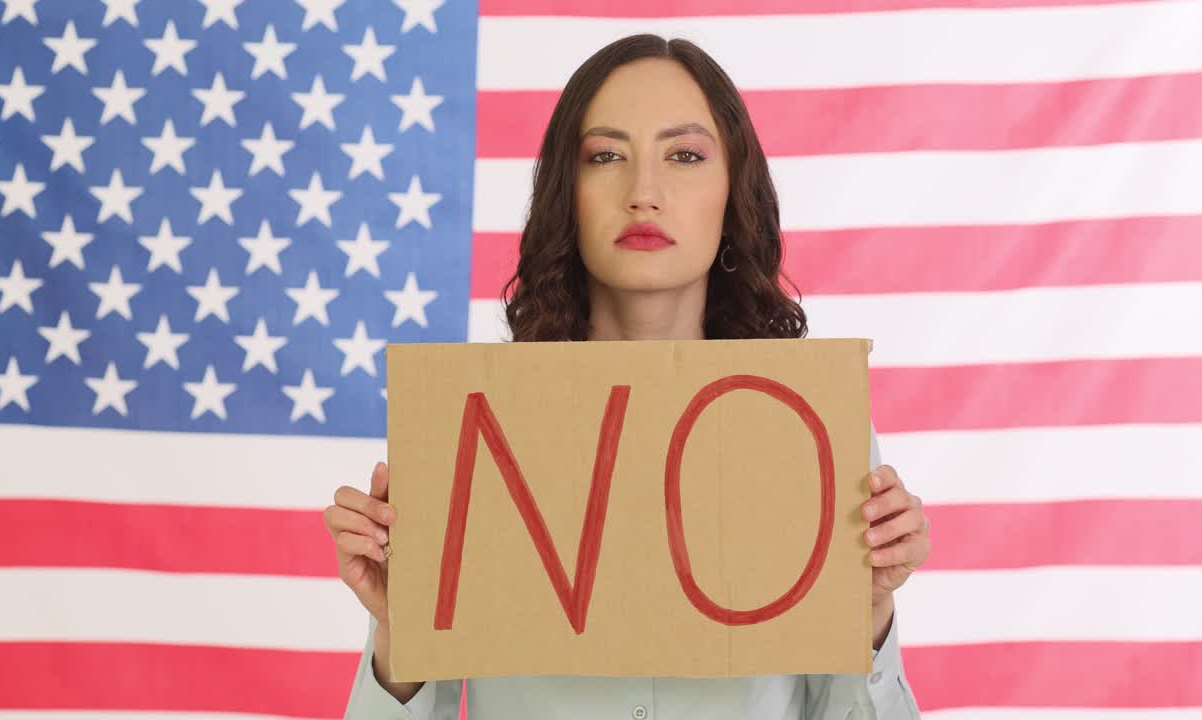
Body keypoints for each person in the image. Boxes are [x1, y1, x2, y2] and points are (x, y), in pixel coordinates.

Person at [325, 34, 932, 719]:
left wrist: (870, 613)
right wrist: (399, 634)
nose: (643, 193)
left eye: (685, 156)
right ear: (567, 192)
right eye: (606, 156)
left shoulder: (812, 431)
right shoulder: (477, 429)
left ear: (734, 193)